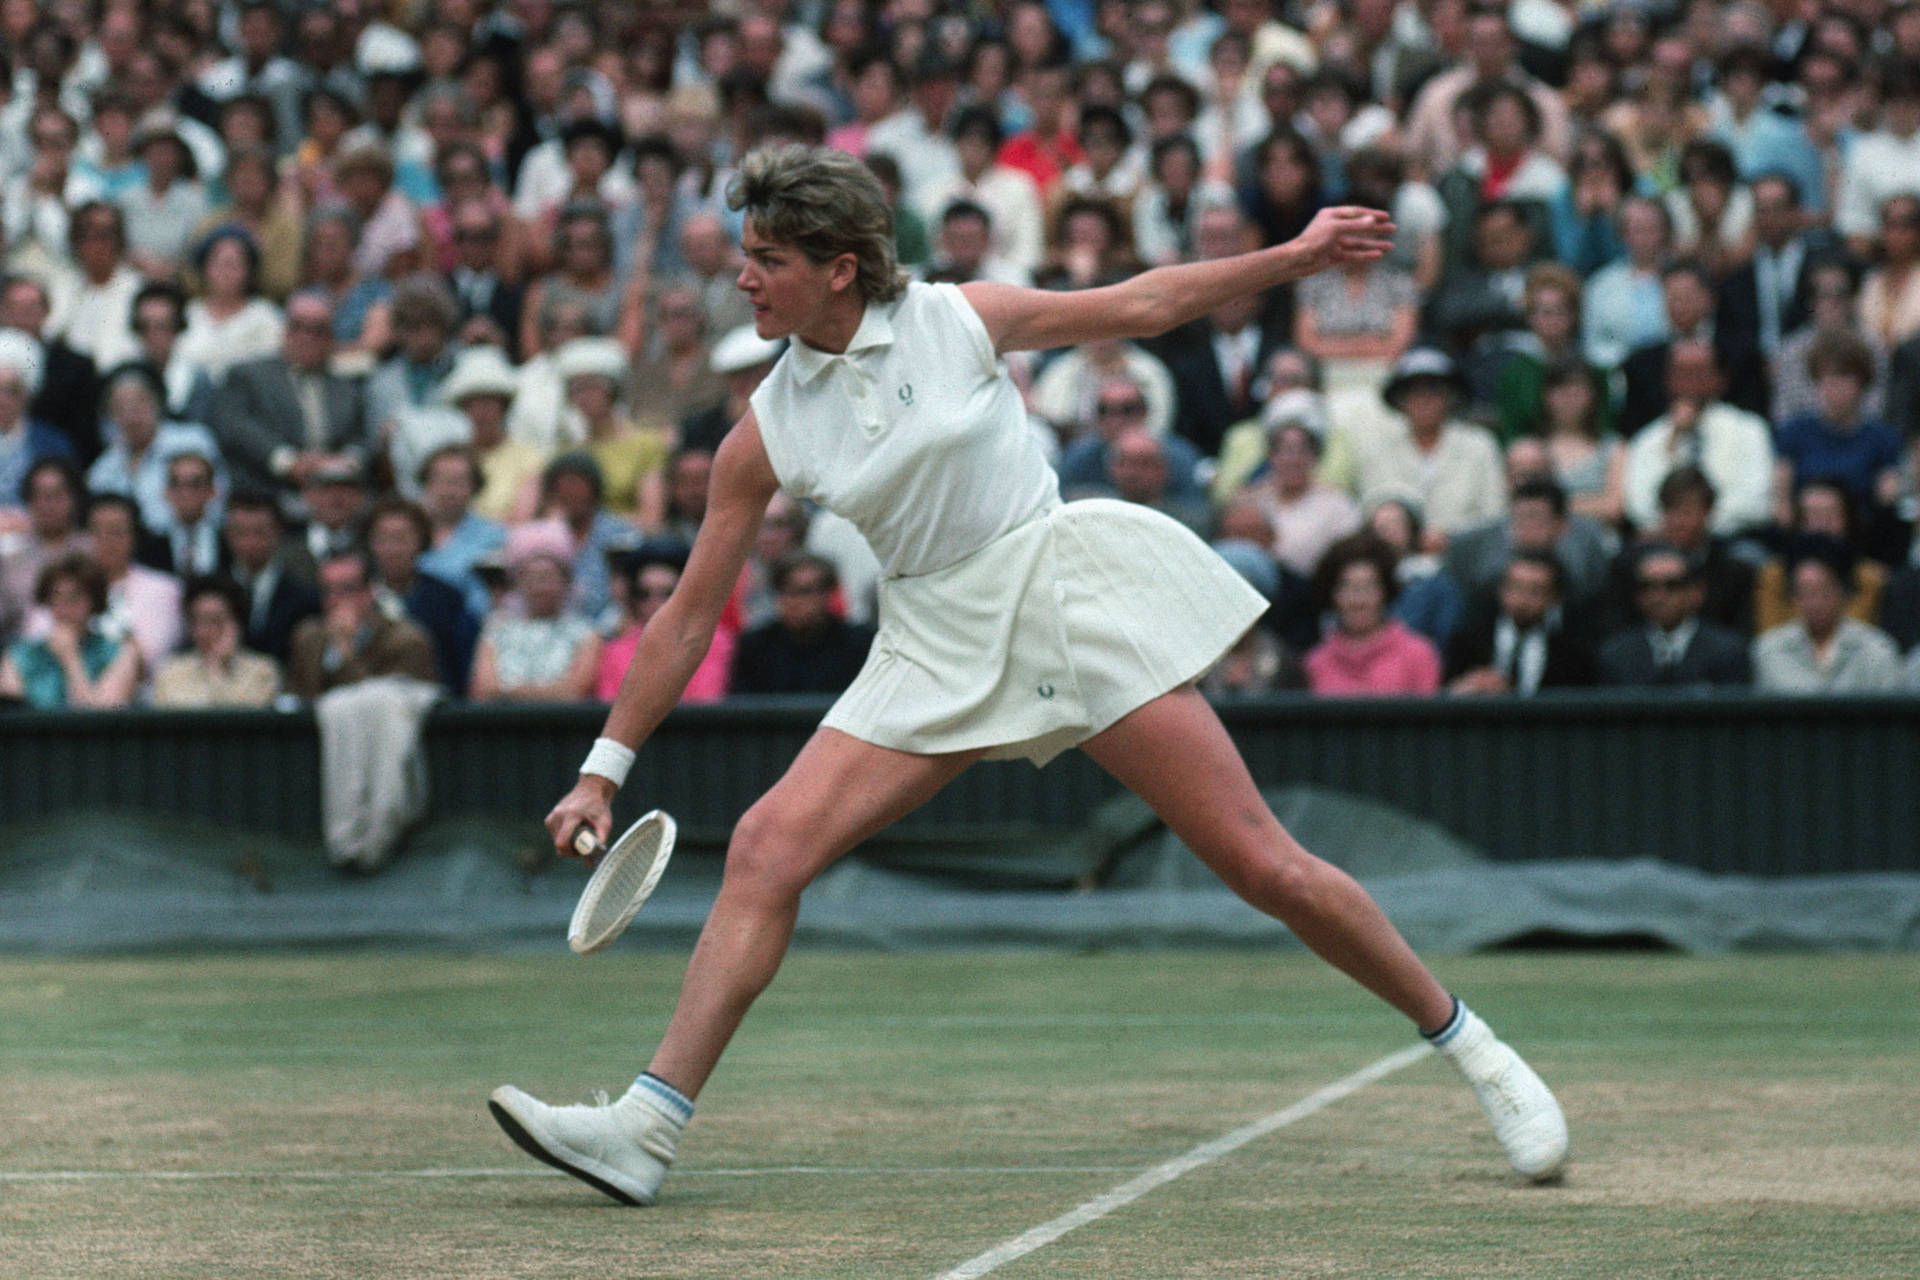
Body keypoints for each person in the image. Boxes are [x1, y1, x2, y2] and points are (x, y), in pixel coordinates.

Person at [488, 146, 1569, 1208]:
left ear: (839, 266)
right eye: (743, 254)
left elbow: (1144, 305)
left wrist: (1294, 256)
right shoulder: (763, 429)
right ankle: (646, 1127)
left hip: (1063, 600)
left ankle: (1480, 1051)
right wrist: (603, 769)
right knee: (769, 848)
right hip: (928, 641)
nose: (741, 277)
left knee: (1264, 866)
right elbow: (684, 620)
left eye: (765, 255)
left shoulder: (959, 315)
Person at [467, 522, 601, 703]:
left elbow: (577, 691)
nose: (540, 587)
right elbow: (483, 690)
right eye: (531, 578)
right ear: (517, 583)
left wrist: (508, 692)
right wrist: (552, 691)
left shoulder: (587, 633)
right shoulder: (495, 630)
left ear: (566, 581)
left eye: (548, 577)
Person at [1752, 539, 1904, 693]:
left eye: (1823, 591)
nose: (1814, 603)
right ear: (1793, 598)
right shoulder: (1769, 649)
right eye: (1805, 593)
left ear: (1842, 592)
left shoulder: (1877, 649)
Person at [1593, 543, 1752, 689]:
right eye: (1647, 586)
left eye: (1672, 585)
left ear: (1696, 592)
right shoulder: (1615, 654)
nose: (1658, 596)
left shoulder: (1729, 652)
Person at [0, 553, 139, 709]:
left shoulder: (120, 654)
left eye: (74, 598)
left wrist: (70, 658)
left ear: (93, 602)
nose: (64, 608)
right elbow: (12, 719)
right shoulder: (18, 656)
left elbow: (101, 722)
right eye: (56, 597)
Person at [597, 546, 733, 704]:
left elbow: (705, 702)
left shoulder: (713, 641)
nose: (655, 603)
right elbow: (610, 708)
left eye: (668, 593)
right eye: (644, 594)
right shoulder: (616, 651)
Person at [151, 575, 280, 708]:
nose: (202, 631)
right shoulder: (170, 673)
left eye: (214, 620)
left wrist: (218, 669)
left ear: (236, 623)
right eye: (197, 620)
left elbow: (243, 720)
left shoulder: (262, 672)